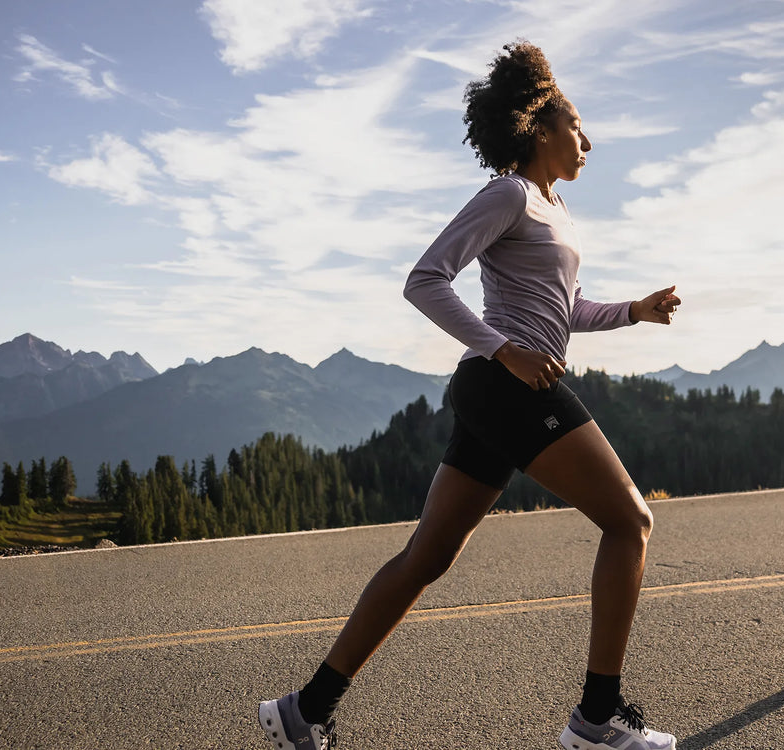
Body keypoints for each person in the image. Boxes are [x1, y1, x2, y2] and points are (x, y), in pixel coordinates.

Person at [257, 41, 681, 750]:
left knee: (428, 556)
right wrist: (502, 348)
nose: (589, 141)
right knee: (630, 522)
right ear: (542, 128)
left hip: (503, 389)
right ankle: (596, 718)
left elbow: (563, 309)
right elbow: (425, 279)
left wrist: (633, 310)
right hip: (503, 385)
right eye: (578, 127)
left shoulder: (555, 207)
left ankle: (305, 710)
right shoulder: (509, 193)